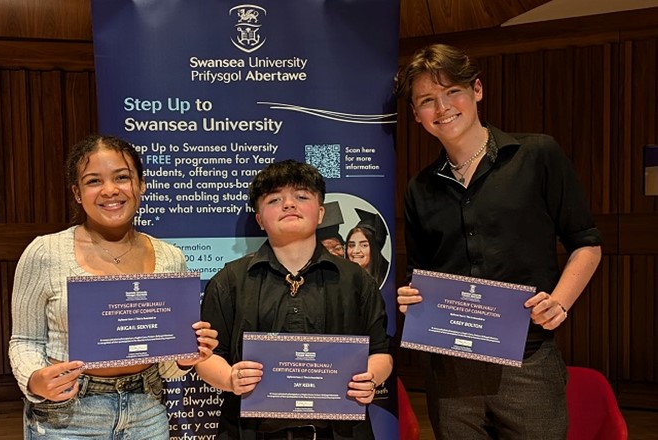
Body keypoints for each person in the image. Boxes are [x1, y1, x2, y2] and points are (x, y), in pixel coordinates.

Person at [395, 44, 602, 439]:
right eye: (427, 101)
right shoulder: (420, 189)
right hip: (450, 369)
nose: (442, 108)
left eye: (452, 91)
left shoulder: (537, 154)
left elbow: (586, 242)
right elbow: (418, 274)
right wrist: (411, 297)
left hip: (528, 362)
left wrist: (560, 301)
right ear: (416, 116)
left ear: (477, 90)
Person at [8, 134, 219, 439]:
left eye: (122, 177)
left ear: (141, 185)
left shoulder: (171, 259)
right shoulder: (45, 252)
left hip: (147, 411)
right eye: (94, 181)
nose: (110, 190)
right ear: (77, 193)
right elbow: (24, 339)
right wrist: (34, 381)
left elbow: (168, 368)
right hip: (67, 414)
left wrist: (186, 358)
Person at [195, 159, 393, 440]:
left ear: (321, 213)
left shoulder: (356, 280)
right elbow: (206, 357)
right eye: (275, 199)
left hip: (340, 432)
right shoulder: (230, 281)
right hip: (249, 432)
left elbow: (381, 353)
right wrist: (229, 378)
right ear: (260, 219)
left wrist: (370, 378)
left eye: (302, 196)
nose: (289, 204)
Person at [345, 209, 389, 286]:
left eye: (364, 245)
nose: (355, 251)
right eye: (351, 245)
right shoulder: (342, 282)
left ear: (375, 248)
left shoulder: (388, 281)